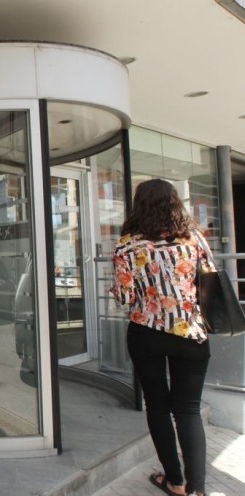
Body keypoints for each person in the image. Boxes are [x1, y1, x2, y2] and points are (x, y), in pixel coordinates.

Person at [110, 179, 212, 496]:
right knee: (188, 410)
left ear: (139, 205)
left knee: (157, 406)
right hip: (190, 333)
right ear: (175, 203)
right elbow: (210, 281)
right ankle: (197, 489)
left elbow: (125, 298)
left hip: (146, 332)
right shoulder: (194, 238)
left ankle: (175, 482)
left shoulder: (127, 244)